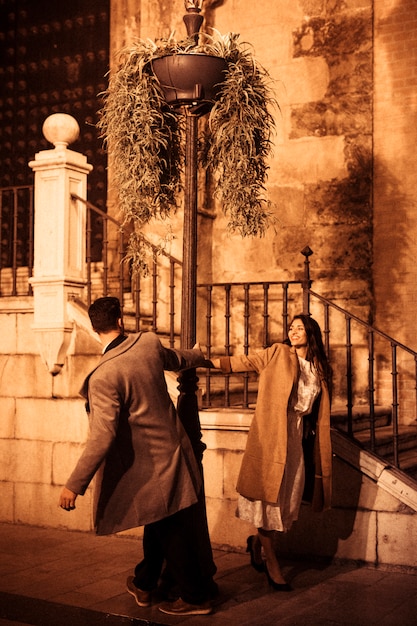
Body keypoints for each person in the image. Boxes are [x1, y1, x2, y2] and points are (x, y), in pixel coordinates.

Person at [59, 296, 216, 616]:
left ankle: (195, 597)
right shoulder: (146, 343)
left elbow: (102, 436)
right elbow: (175, 359)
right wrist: (198, 355)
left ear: (94, 327)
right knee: (158, 520)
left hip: (146, 466)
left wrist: (74, 484)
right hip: (175, 450)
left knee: (167, 526)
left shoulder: (103, 376)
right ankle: (145, 583)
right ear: (119, 321)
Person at [211, 314, 332, 590]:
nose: (294, 331)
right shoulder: (278, 353)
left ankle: (256, 543)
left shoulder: (319, 368)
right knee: (268, 497)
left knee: (286, 500)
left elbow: (317, 411)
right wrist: (205, 361)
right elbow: (246, 362)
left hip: (297, 437)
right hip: (272, 435)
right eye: (291, 328)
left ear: (311, 333)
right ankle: (272, 563)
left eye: (300, 328)